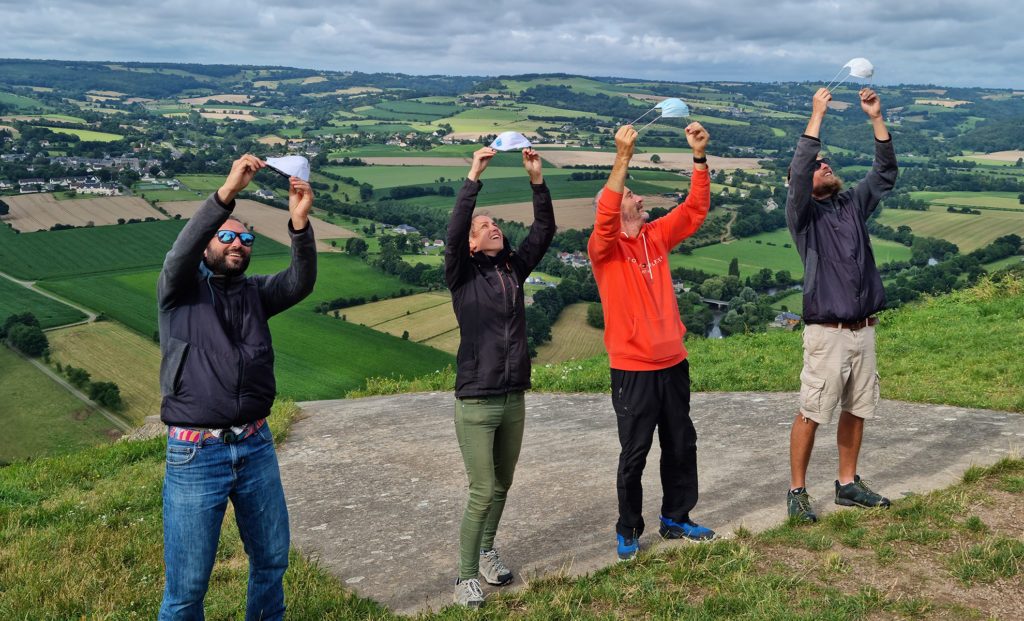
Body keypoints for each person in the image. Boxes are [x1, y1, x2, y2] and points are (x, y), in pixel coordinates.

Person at [156, 154, 316, 620]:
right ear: (208, 244)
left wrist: (299, 226)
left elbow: (299, 282)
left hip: (255, 445)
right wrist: (227, 194)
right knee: (187, 587)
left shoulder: (255, 293)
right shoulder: (179, 289)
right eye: (226, 235)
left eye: (246, 239)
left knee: (271, 561)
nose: (238, 243)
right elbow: (179, 253)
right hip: (194, 453)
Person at [588, 123, 715, 562]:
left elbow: (696, 210)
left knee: (681, 444)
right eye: (631, 196)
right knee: (635, 454)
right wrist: (621, 158)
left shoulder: (656, 235)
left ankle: (676, 517)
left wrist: (698, 157)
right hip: (633, 370)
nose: (639, 199)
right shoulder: (603, 249)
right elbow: (606, 213)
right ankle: (628, 529)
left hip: (672, 363)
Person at [444, 146, 555, 608]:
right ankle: (465, 578)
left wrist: (537, 180)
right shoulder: (462, 274)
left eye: (495, 223)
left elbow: (544, 230)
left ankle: (488, 552)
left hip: (513, 397)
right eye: (483, 225)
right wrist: (474, 176)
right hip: (476, 400)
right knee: (483, 489)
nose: (493, 226)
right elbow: (453, 233)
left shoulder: (512, 269)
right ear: (471, 244)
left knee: (503, 485)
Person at [785, 87, 898, 523]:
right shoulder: (803, 217)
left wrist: (876, 118)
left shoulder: (852, 204)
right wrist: (817, 114)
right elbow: (799, 170)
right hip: (826, 334)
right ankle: (797, 492)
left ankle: (847, 485)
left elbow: (884, 173)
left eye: (825, 161)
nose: (823, 164)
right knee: (813, 411)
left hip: (863, 329)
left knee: (857, 408)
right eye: (817, 167)